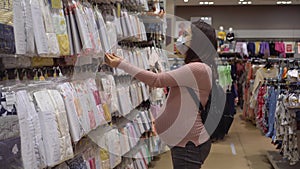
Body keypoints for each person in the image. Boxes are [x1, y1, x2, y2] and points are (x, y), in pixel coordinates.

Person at [105, 19, 218, 169]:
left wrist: (121, 64)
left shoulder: (198, 68)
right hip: (185, 142)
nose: (181, 37)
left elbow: (157, 80)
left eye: (186, 34)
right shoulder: (198, 67)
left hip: (189, 144)